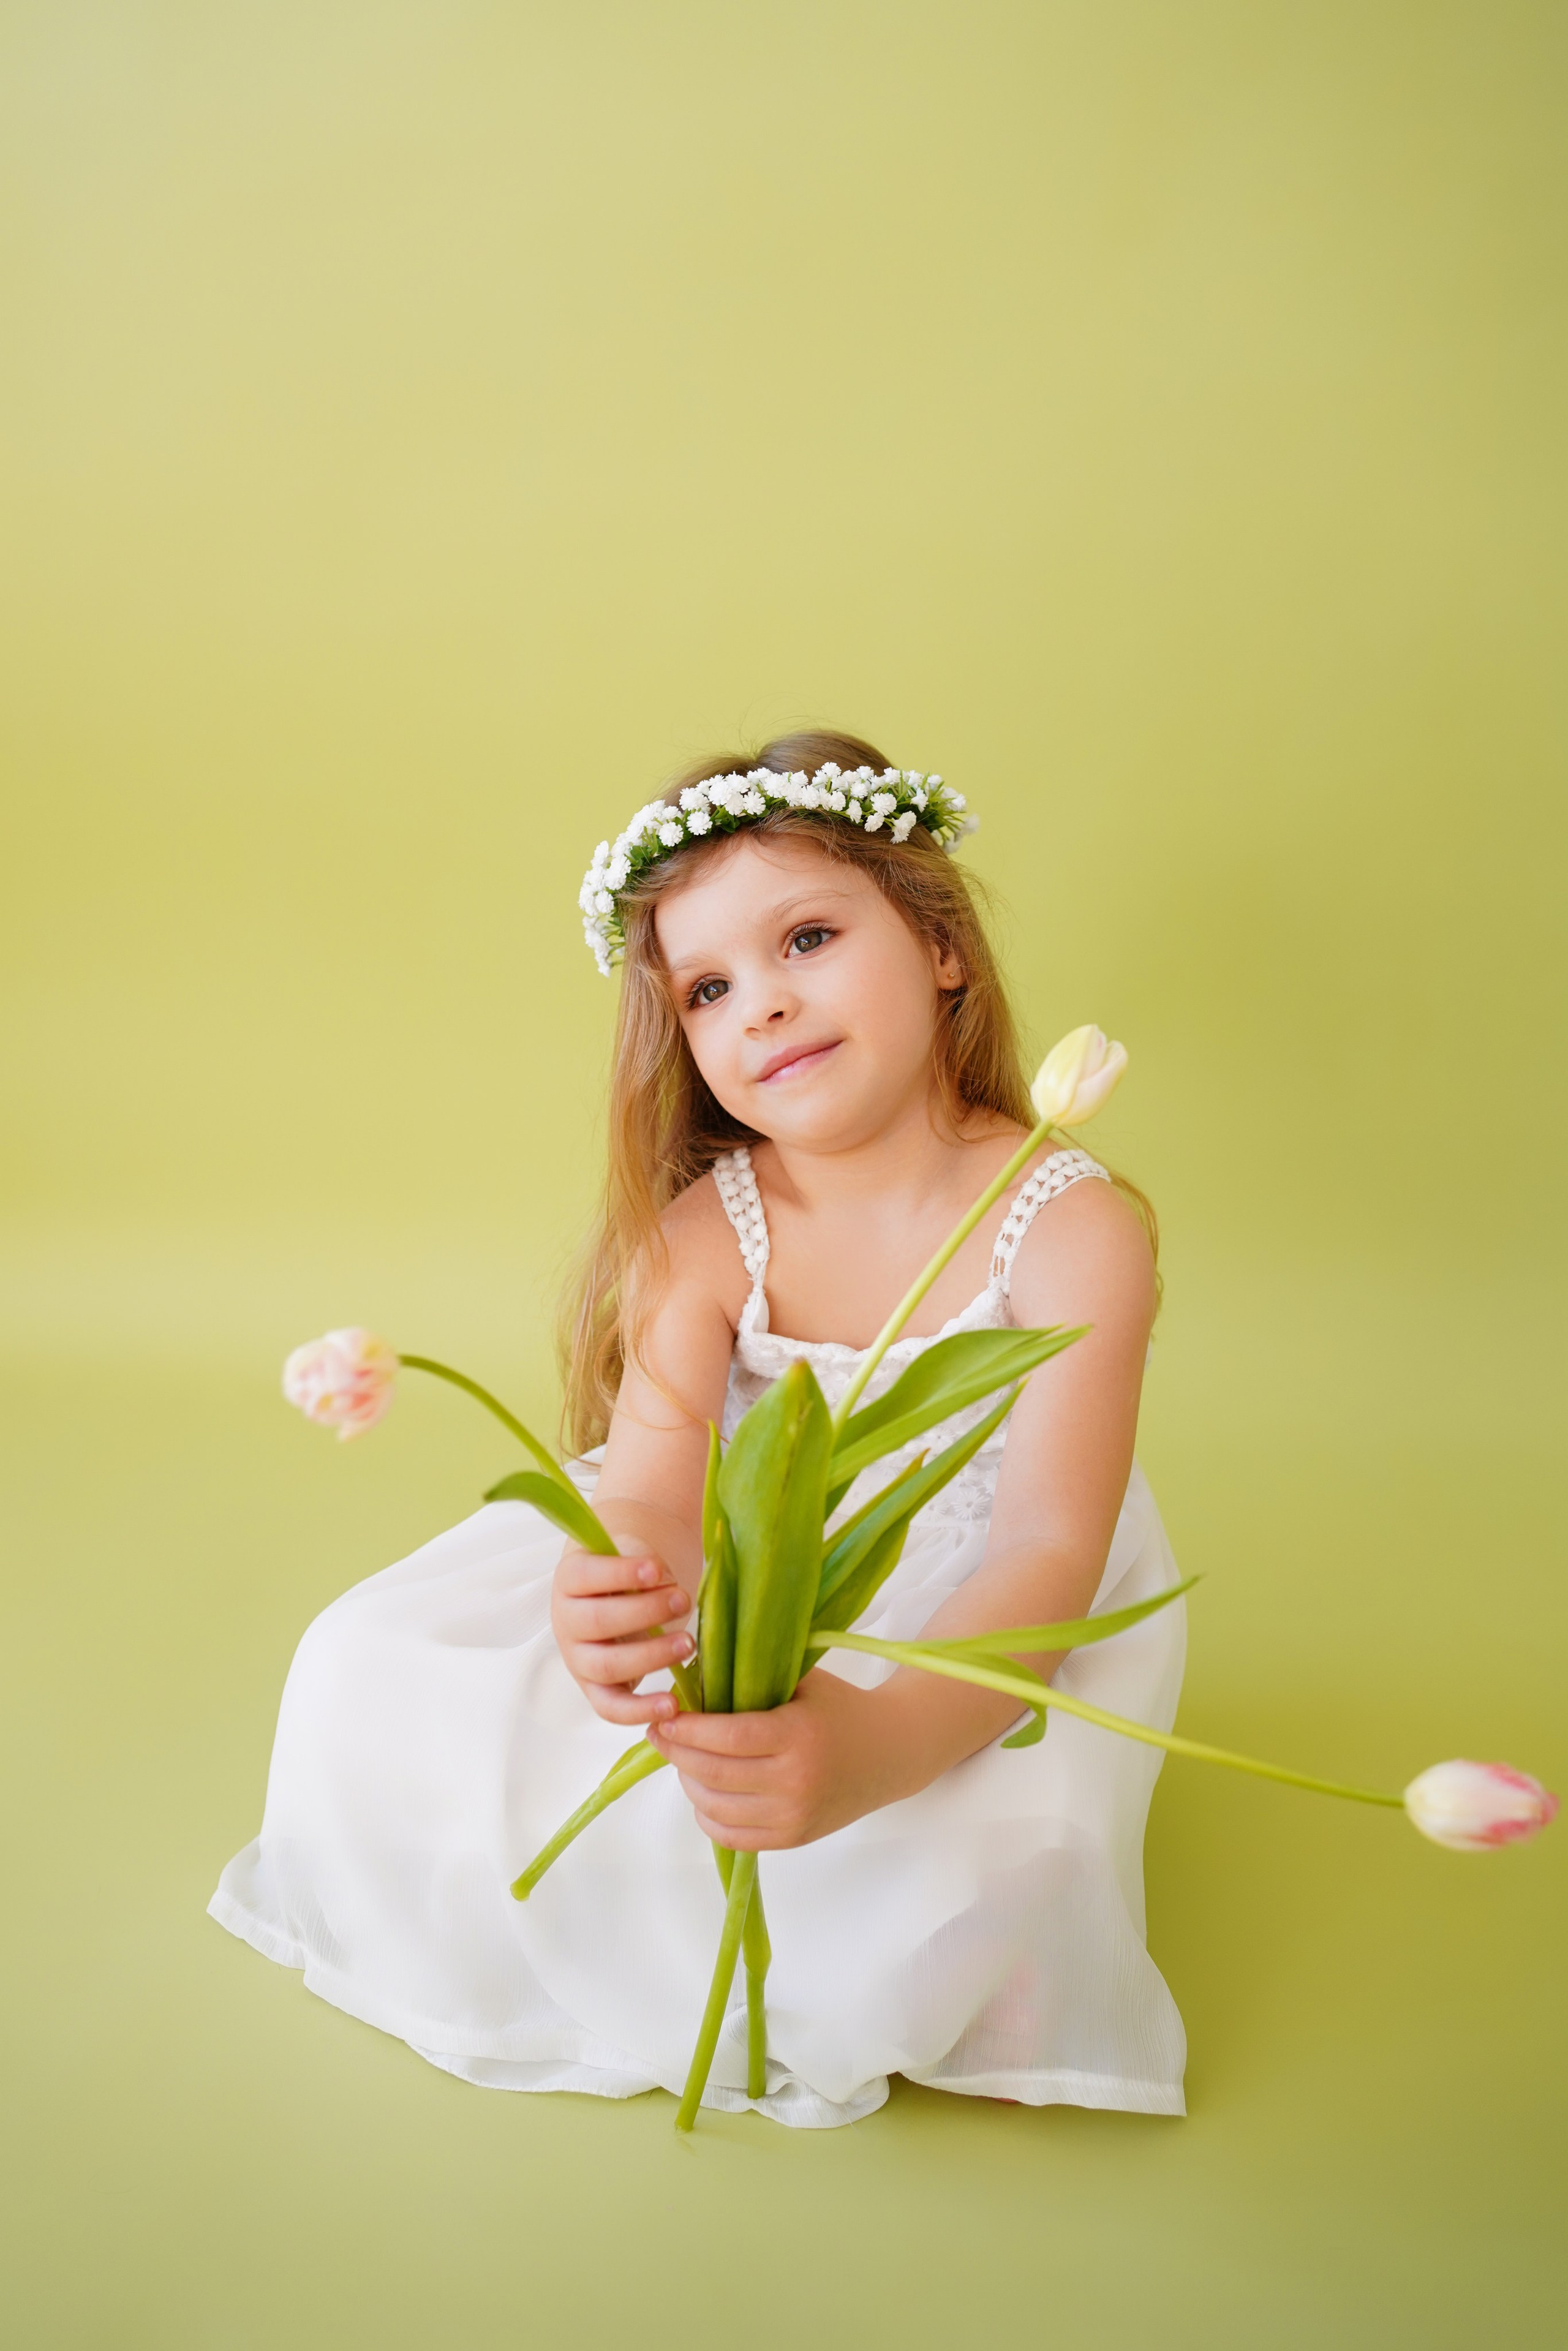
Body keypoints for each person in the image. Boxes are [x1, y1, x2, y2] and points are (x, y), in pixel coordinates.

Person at [211, 729, 1187, 2126]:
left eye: (806, 938)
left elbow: (1044, 1546)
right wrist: (620, 1589)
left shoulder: (1067, 1223)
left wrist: (874, 1744)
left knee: (974, 1841)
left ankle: (883, 1892)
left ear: (939, 944)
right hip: (725, 1574)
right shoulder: (705, 1230)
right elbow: (658, 1480)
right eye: (711, 987)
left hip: (966, 1626)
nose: (763, 1007)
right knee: (369, 1663)